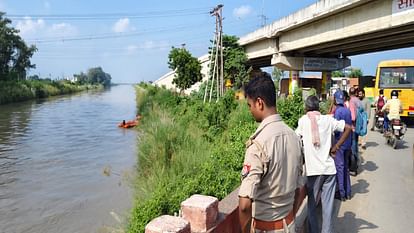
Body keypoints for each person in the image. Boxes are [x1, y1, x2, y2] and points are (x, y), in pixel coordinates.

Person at [239, 76, 302, 233]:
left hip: (265, 228)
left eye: (249, 105)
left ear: (259, 103)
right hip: (289, 225)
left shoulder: (258, 145)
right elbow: (298, 188)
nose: (250, 110)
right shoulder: (294, 136)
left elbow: (244, 205)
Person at [296, 95, 351, 233]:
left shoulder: (303, 121)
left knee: (312, 207)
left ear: (306, 107)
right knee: (328, 208)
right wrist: (336, 147)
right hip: (329, 170)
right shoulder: (328, 120)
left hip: (313, 171)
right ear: (318, 107)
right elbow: (348, 128)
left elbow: (295, 139)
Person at [333, 90, 353, 201]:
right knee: (346, 167)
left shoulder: (337, 112)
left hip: (340, 142)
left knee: (339, 167)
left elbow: (336, 129)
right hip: (348, 142)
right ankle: (348, 191)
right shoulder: (347, 110)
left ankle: (341, 193)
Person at [348, 87, 361, 162]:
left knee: (353, 146)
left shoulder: (352, 101)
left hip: (353, 127)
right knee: (355, 144)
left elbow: (353, 117)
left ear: (349, 93)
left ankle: (353, 164)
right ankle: (356, 162)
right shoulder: (358, 100)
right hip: (358, 126)